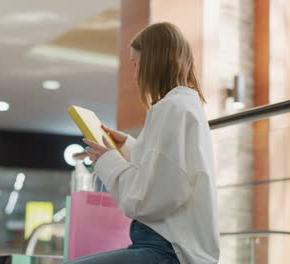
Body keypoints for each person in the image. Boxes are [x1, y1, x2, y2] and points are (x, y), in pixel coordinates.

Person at [64, 22, 220, 264]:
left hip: (168, 250)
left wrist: (107, 160)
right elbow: (168, 173)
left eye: (135, 64)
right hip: (168, 246)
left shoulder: (173, 109)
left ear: (151, 63)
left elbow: (150, 199)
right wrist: (127, 146)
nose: (135, 75)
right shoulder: (181, 107)